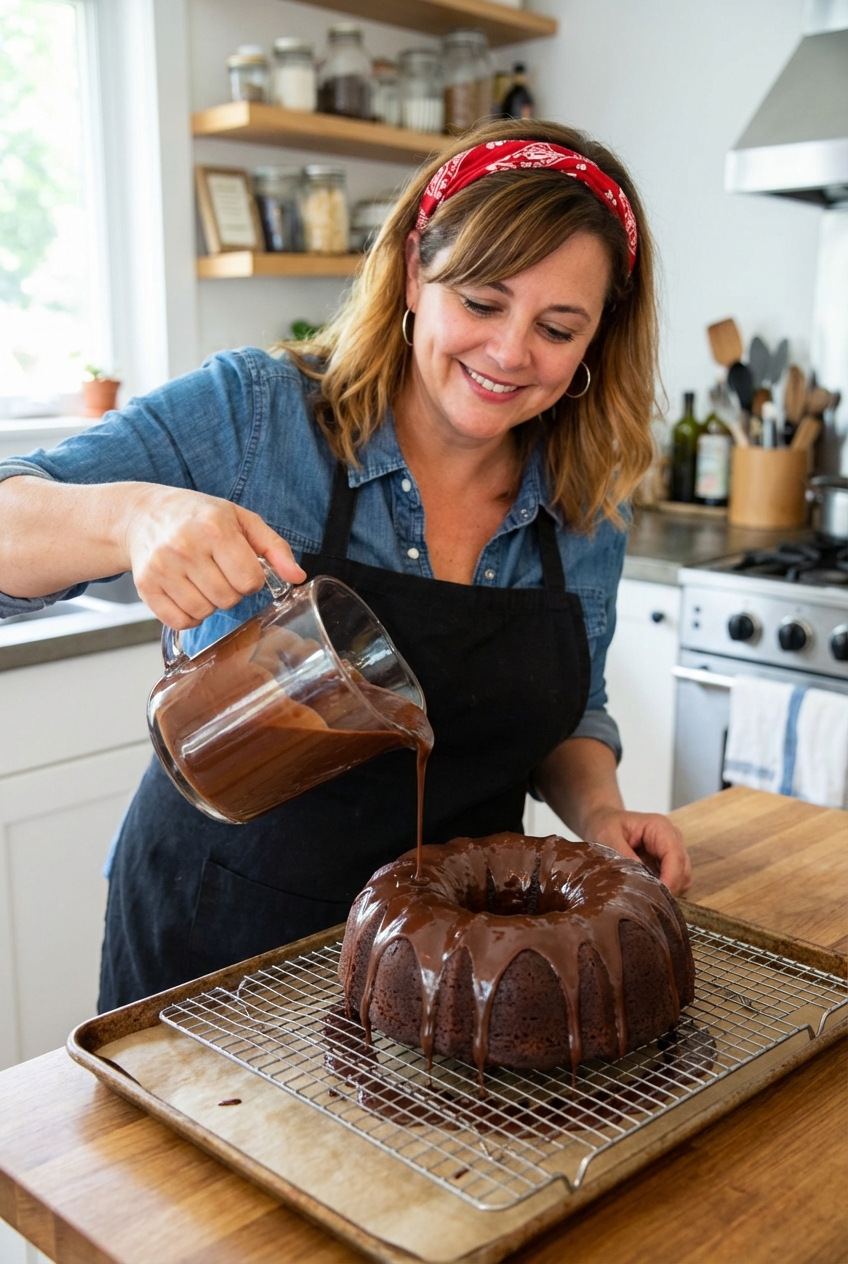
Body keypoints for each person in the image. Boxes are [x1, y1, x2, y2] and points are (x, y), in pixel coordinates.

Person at [0, 118, 691, 1011]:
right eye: (481, 303)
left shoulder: (586, 504)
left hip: (454, 973)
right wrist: (133, 513)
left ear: (599, 337)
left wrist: (599, 813)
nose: (512, 352)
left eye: (558, 328)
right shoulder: (259, 416)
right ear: (414, 272)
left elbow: (567, 711)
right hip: (219, 951)